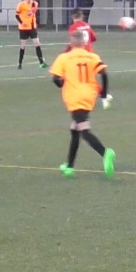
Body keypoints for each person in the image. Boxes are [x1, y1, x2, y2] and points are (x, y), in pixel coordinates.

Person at [50, 30, 116, 179]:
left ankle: (105, 153)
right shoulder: (92, 56)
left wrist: (61, 83)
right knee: (75, 130)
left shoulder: (64, 57)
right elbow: (104, 74)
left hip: (75, 98)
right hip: (89, 96)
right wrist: (104, 93)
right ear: (84, 43)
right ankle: (69, 166)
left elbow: (56, 79)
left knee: (84, 130)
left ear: (71, 42)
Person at [16, 0, 46, 69]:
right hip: (23, 28)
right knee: (23, 45)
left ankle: (41, 63)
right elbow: (17, 15)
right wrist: (22, 22)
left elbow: (33, 11)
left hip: (32, 27)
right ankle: (20, 63)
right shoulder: (21, 5)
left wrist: (31, 13)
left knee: (37, 43)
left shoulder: (35, 4)